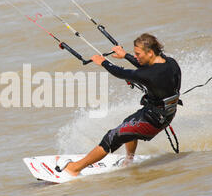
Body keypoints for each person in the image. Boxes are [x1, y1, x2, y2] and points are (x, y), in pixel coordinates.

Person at [57, 33, 182, 176]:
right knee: (128, 124)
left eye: (138, 54)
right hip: (165, 113)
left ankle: (74, 169)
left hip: (154, 119)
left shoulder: (149, 74)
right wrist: (126, 56)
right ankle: (129, 161)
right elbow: (148, 69)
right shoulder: (170, 63)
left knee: (112, 136)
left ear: (150, 52)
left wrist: (103, 62)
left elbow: (122, 73)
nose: (136, 57)